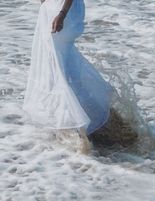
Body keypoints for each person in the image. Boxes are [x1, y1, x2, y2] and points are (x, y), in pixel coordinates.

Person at [22, 0, 113, 153]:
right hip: (58, 10)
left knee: (57, 66)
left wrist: (61, 14)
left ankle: (77, 122)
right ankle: (87, 111)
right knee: (62, 63)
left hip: (61, 12)